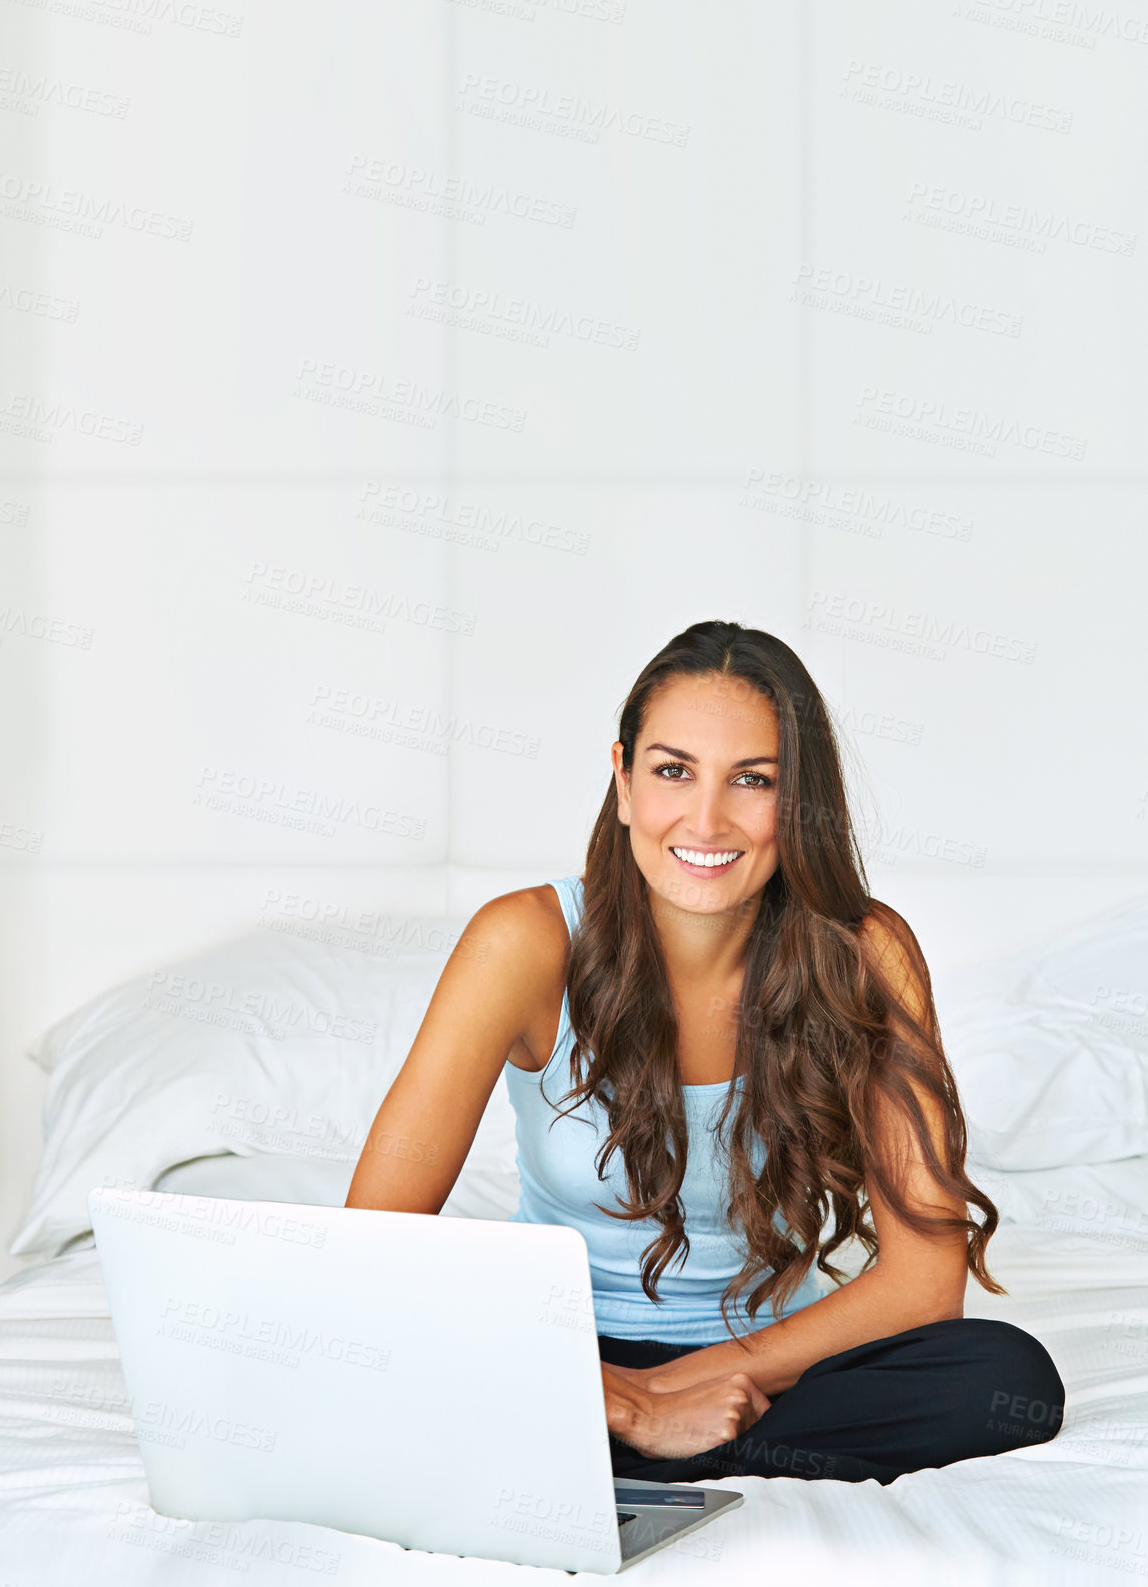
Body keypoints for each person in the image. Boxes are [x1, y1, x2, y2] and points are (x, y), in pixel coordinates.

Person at [345, 620, 1065, 1485]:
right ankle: (626, 1437)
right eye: (673, 770)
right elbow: (370, 1250)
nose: (707, 818)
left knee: (1006, 1378)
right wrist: (613, 1397)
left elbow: (923, 1284)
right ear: (622, 781)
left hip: (774, 1365)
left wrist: (680, 1391)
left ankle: (613, 1448)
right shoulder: (524, 942)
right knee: (361, 1360)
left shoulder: (868, 953)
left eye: (753, 780)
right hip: (558, 1349)